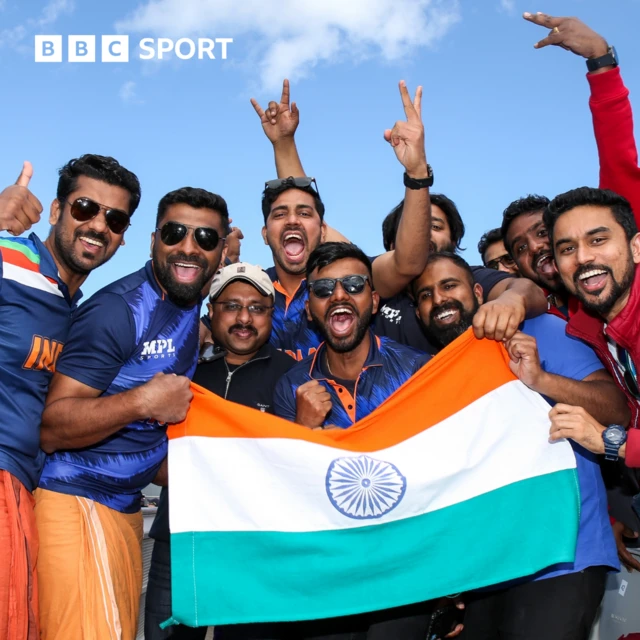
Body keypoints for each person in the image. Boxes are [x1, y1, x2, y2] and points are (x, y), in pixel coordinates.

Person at [34, 186, 229, 639]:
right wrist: (142, 400)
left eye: (205, 238)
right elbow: (52, 426)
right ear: (153, 240)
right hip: (75, 501)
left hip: (122, 508)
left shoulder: (188, 302)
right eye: (175, 233)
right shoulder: (118, 310)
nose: (188, 246)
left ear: (221, 251)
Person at [411, 251, 627, 640]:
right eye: (425, 295)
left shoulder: (541, 328)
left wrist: (541, 379)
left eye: (449, 285)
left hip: (564, 558)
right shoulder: (434, 374)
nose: (438, 299)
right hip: (489, 568)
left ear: (479, 292)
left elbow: (616, 411)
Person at [266, 242, 462, 639]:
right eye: (323, 290)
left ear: (373, 299)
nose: (339, 295)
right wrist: (303, 433)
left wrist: (454, 569)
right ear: (310, 308)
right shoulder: (291, 387)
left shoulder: (418, 371)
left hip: (408, 566)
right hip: (328, 573)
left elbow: (449, 474)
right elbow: (284, 493)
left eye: (353, 285)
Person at [0, 154, 140, 640]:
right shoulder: (9, 258)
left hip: (24, 491)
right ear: (57, 210)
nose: (98, 225)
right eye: (85, 207)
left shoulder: (81, 312)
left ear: (122, 237)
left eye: (114, 219)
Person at [145, 262, 294, 640]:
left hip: (255, 551)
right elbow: (148, 450)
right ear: (211, 312)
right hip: (180, 543)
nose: (244, 318)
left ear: (271, 315)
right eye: (231, 306)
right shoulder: (183, 369)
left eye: (257, 308)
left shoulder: (294, 377)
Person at [253, 80, 433, 361]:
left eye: (304, 214)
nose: (292, 221)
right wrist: (283, 144)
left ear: (324, 231)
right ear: (265, 233)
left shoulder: (350, 281)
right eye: (279, 215)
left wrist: (417, 171)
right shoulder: (252, 288)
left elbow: (407, 263)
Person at [500, 12, 640, 321]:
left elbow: (617, 157)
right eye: (520, 247)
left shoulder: (627, 275)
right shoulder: (545, 325)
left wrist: (600, 61)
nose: (536, 247)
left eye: (542, 232)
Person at [376, 195, 547, 354]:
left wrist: (511, 301)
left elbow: (527, 290)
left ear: (453, 241)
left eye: (435, 227)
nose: (423, 234)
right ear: (392, 246)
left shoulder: (468, 276)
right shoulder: (367, 282)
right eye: (413, 229)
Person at [543, 187, 640, 466]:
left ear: (636, 248)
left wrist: (608, 441)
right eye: (568, 248)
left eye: (598, 240)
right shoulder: (588, 326)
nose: (583, 257)